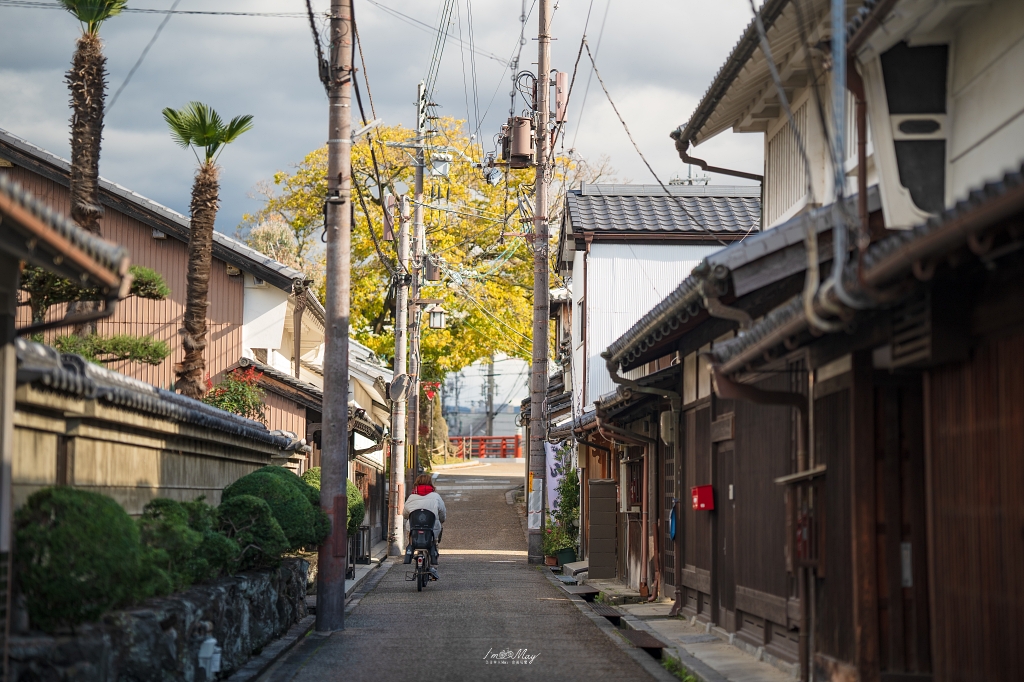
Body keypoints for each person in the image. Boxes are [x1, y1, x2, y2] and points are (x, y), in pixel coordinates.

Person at [403, 473, 446, 580]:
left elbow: (405, 514)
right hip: (431, 529)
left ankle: (415, 556)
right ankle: (433, 567)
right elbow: (442, 513)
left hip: (414, 529)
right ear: (430, 483)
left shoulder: (412, 497)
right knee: (434, 544)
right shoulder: (436, 496)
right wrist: (441, 520)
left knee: (412, 541)